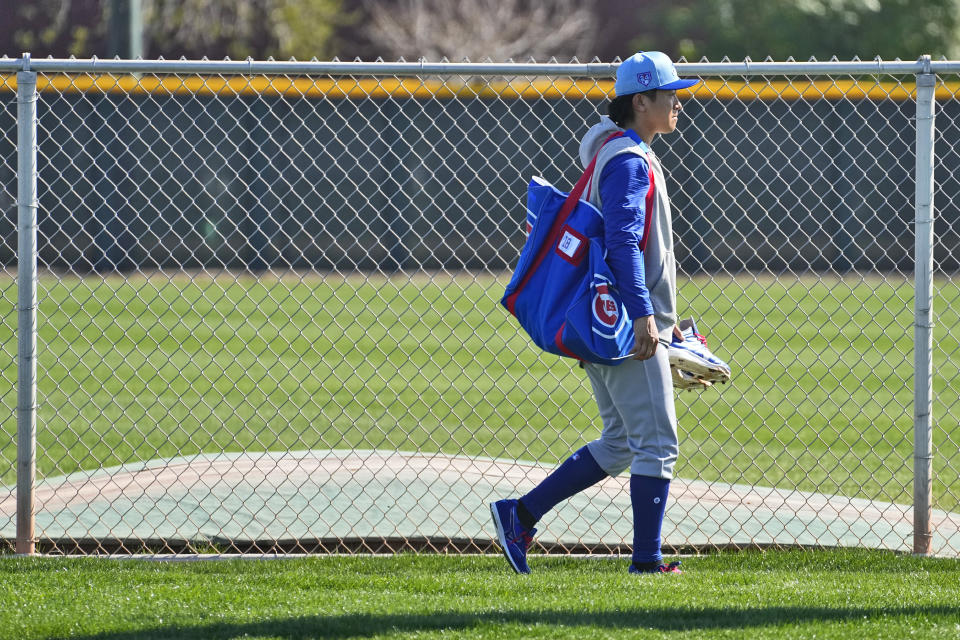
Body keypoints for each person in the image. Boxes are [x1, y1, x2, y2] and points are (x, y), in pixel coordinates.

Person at [490, 51, 700, 575]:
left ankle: (519, 514)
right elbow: (624, 243)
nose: (677, 101)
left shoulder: (613, 150)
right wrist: (645, 317)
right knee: (656, 443)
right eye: (668, 93)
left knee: (621, 442)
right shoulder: (629, 159)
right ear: (640, 101)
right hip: (625, 320)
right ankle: (646, 563)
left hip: (607, 316)